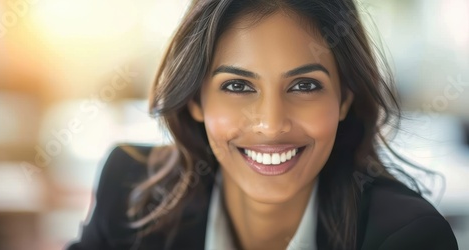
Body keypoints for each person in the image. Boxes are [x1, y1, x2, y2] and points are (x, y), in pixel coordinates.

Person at [66, 0, 459, 249]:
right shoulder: (129, 189)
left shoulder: (408, 238)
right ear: (196, 100)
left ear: (344, 98)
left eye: (305, 85)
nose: (271, 125)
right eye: (237, 86)